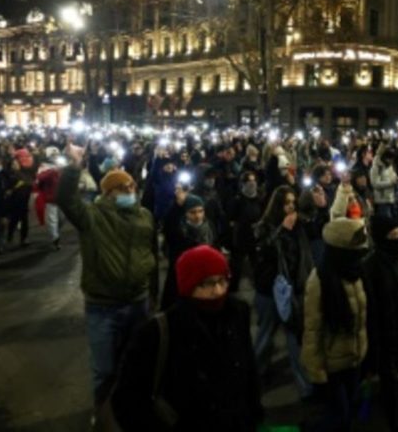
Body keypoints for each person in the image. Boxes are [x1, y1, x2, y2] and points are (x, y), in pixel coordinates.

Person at [109, 245, 264, 431]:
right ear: (188, 285)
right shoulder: (157, 332)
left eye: (223, 280)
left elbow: (248, 370)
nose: (217, 291)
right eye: (206, 283)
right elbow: (127, 400)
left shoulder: (238, 313)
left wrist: (253, 414)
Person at [56, 147, 156, 405]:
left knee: (136, 365)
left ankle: (130, 411)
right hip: (103, 307)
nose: (130, 191)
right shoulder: (92, 216)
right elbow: (66, 200)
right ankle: (103, 416)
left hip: (138, 301)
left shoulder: (145, 216)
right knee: (105, 371)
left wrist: (151, 293)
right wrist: (74, 166)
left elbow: (149, 254)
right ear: (108, 193)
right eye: (123, 188)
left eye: (132, 186)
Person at [301, 215, 370, 432]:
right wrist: (317, 372)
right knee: (339, 417)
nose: (361, 252)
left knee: (350, 410)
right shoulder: (320, 280)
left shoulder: (355, 272)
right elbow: (313, 329)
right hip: (333, 364)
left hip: (354, 358)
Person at [251, 185, 314, 399]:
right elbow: (263, 253)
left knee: (295, 338)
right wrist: (282, 232)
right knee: (265, 336)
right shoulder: (264, 226)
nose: (290, 207)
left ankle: (306, 387)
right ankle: (255, 376)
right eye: (286, 203)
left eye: (292, 202)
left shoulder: (298, 225)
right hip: (270, 291)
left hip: (293, 290)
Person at [361, 214, 398, 432]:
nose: (397, 239)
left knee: (396, 377)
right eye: (392, 235)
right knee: (390, 381)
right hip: (382, 332)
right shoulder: (370, 266)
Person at [161, 188, 215, 310]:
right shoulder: (179, 231)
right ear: (185, 213)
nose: (197, 216)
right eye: (193, 212)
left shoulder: (209, 228)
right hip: (180, 283)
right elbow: (169, 225)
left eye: (201, 211)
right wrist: (177, 206)